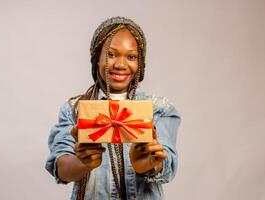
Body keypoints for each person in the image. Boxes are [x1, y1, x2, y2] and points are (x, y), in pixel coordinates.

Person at [45, 16, 181, 200]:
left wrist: (149, 163)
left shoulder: (159, 109)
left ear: (140, 63)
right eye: (111, 54)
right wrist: (83, 163)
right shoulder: (75, 109)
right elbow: (60, 168)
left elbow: (168, 166)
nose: (120, 64)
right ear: (97, 58)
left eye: (131, 57)